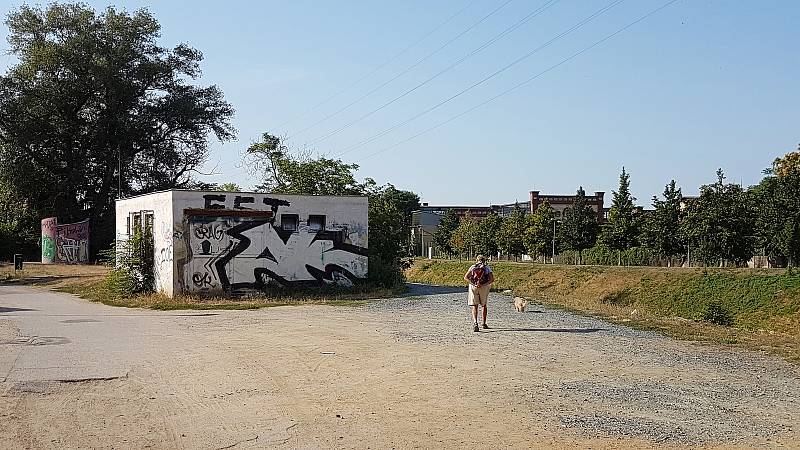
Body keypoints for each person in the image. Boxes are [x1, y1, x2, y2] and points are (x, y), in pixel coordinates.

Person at [464, 255, 495, 332]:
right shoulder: (487, 268)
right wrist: (483, 284)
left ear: (476, 260)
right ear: (484, 260)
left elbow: (465, 277)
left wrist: (474, 284)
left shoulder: (473, 267)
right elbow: (492, 279)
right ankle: (484, 323)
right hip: (483, 287)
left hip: (473, 287)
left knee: (475, 306)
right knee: (484, 305)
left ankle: (475, 323)